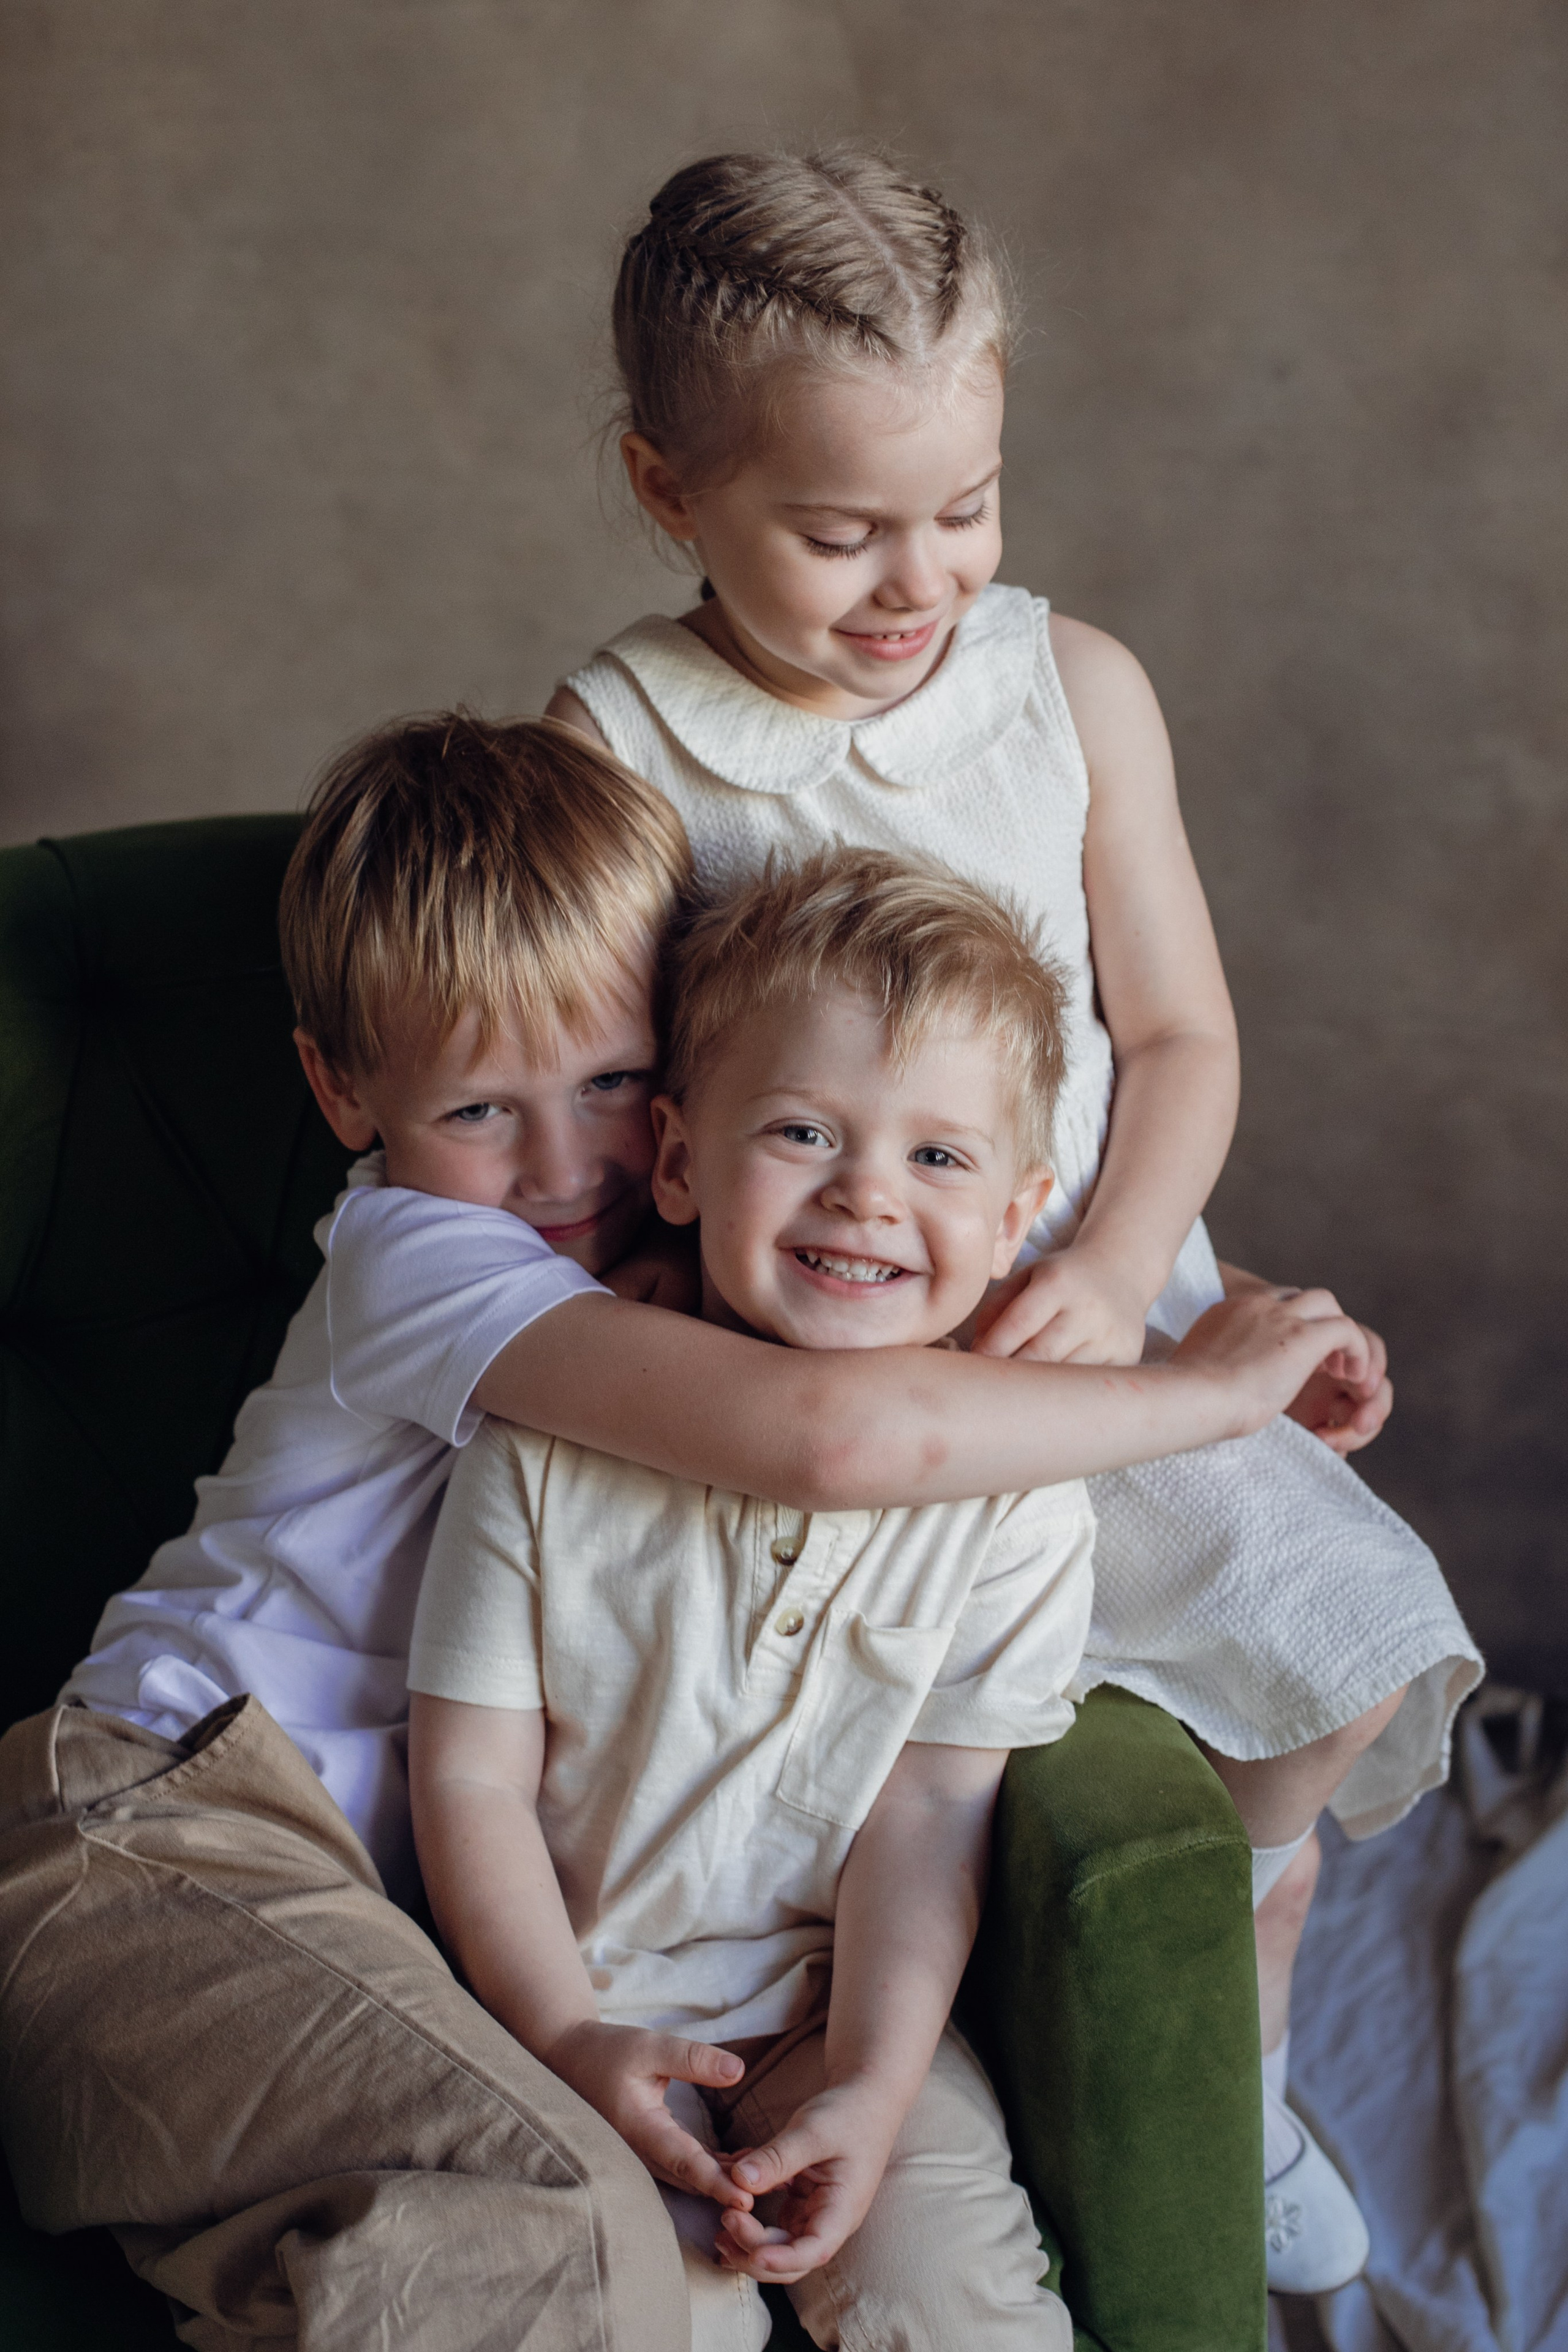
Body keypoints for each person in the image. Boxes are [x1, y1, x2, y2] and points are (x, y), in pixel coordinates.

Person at [1, 712, 1369, 2348]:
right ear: (342, 1090)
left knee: (589, 2264)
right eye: (479, 1111)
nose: (564, 1166)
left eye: (612, 1085)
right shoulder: (417, 1261)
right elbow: (841, 1438)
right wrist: (1207, 1394)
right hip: (162, 1809)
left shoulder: (655, 1273)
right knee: (574, 2256)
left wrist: (1146, 1310)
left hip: (362, 1900)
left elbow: (904, 1306)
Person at [546, 146, 1483, 2293]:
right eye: (841, 528)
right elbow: (606, 1143)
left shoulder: (1072, 691)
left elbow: (1178, 1036)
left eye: (965, 507)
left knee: (1326, 1667)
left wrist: (1120, 1268)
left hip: (1075, 1326)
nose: (917, 581)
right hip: (826, 1358)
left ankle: (1215, 2093)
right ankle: (934, 2031)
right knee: (873, 1764)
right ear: (665, 488)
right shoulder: (618, 748)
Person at [407, 846, 1116, 2348]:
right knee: (641, 2321)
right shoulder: (548, 1443)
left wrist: (867, 2078)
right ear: (674, 1161)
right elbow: (467, 1778)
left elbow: (930, 1815)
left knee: (958, 2300)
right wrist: (565, 2033)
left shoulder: (1018, 1505)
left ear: (1015, 1216)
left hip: (829, 2021)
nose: (864, 1192)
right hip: (557, 2016)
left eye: (938, 1158)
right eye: (801, 1131)